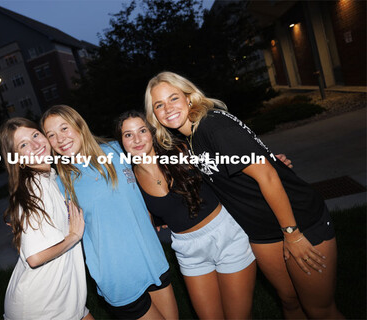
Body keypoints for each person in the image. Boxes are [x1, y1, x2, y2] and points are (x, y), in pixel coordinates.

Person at [144, 71, 343, 319]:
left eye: (173, 98)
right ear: (154, 115)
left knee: (319, 310)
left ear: (189, 97)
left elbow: (267, 177)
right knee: (289, 301)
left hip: (298, 221)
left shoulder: (213, 125)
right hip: (261, 231)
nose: (168, 108)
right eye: (159, 105)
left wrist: (292, 234)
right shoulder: (191, 138)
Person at [41, 105, 178, 319]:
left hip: (152, 258)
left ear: (79, 126)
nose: (60, 139)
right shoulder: (60, 185)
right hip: (118, 277)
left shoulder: (116, 150)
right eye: (51, 135)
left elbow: (152, 166)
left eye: (64, 128)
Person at [116, 110, 256, 319]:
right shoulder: (131, 180)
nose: (136, 139)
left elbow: (225, 169)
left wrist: (263, 167)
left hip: (226, 235)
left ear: (152, 133)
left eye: (142, 130)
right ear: (121, 143)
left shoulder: (181, 150)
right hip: (188, 251)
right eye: (128, 135)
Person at [0, 117, 92, 320]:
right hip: (42, 307)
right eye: (23, 145)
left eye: (35, 135)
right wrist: (73, 236)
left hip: (64, 297)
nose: (34, 144)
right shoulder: (35, 188)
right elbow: (35, 257)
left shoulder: (48, 178)